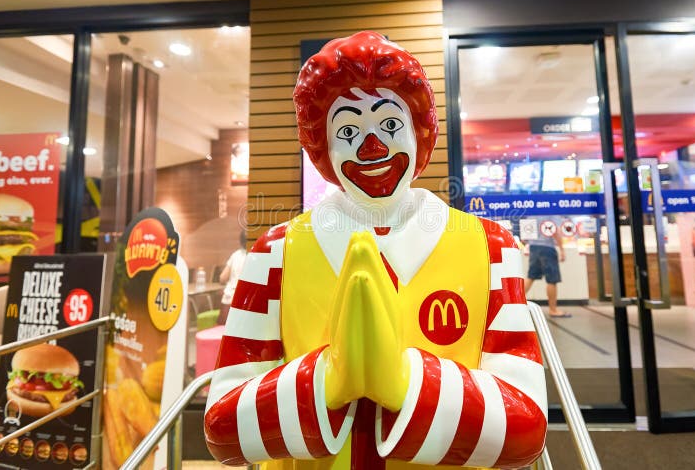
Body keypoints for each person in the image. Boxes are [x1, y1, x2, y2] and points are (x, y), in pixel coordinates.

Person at [203, 31, 546, 469]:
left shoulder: (491, 248)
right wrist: (327, 380)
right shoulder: (275, 254)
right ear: (322, 147)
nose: (373, 148)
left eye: (389, 125)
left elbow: (528, 428)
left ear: (420, 132)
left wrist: (407, 383)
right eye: (348, 130)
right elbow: (222, 429)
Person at [524, 217, 570, 318]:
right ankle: (553, 310)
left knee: (531, 276)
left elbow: (525, 231)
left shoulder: (532, 213)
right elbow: (556, 232)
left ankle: (515, 303)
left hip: (533, 247)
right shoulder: (550, 212)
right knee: (552, 280)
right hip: (547, 248)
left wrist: (528, 244)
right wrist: (562, 249)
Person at [216, 230, 248, 325]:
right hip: (244, 301)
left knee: (222, 331)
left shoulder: (235, 255)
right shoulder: (255, 256)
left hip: (229, 300)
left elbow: (222, 278)